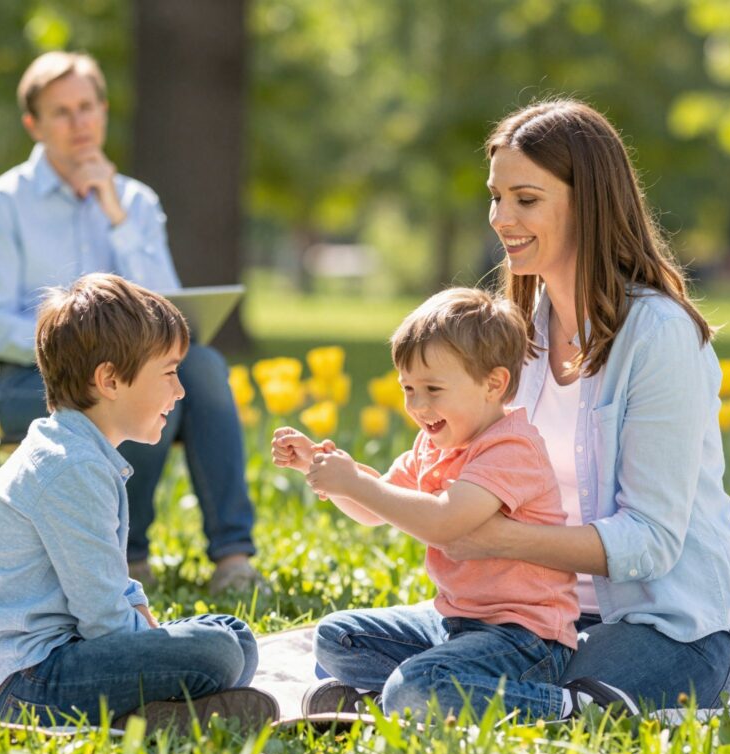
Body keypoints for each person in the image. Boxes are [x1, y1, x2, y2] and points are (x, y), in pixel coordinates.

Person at [433, 99, 730, 711]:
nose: (501, 218)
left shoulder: (658, 334)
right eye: (496, 197)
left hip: (666, 628)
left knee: (440, 684)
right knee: (349, 640)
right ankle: (454, 689)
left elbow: (650, 541)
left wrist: (496, 538)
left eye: (526, 199)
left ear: (590, 202)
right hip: (536, 614)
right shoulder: (520, 332)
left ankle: (540, 701)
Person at [0, 51, 261, 593]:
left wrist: (117, 218)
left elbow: (167, 313)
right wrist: (82, 350)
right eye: (61, 112)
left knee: (205, 367)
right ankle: (127, 552)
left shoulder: (136, 201)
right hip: (34, 380)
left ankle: (233, 557)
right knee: (129, 385)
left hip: (127, 373)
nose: (79, 123)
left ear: (103, 110)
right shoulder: (0, 204)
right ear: (34, 124)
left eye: (87, 107)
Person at [272, 288, 635, 721]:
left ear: (493, 384)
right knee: (336, 637)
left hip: (525, 639)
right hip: (455, 623)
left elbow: (445, 521)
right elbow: (376, 506)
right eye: (408, 388)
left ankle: (572, 707)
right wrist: (325, 470)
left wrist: (355, 483)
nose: (418, 405)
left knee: (417, 687)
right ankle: (408, 700)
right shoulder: (435, 443)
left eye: (433, 389)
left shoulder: (511, 448)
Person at [0, 274, 277, 728]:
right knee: (216, 652)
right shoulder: (70, 467)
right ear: (110, 380)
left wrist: (157, 645)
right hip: (21, 683)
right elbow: (105, 618)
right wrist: (162, 654)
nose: (180, 392)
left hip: (56, 658)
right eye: (168, 373)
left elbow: (114, 584)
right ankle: (162, 713)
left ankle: (164, 712)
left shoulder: (83, 452)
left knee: (233, 635)